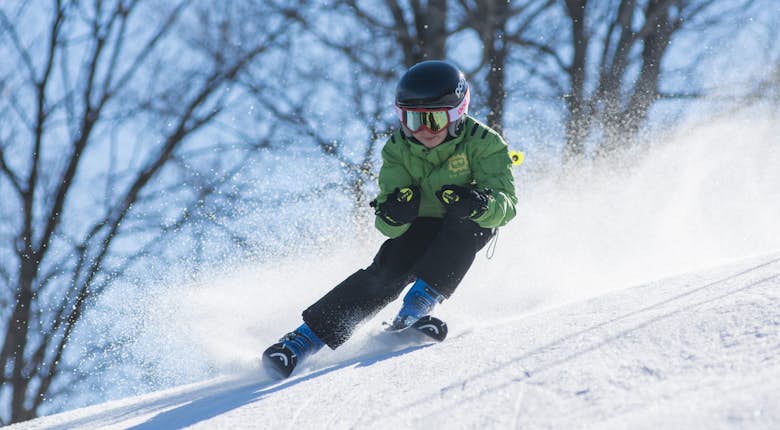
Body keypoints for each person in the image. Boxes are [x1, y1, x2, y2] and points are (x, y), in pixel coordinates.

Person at [262, 60, 517, 378]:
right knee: (388, 269)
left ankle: (416, 308)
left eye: (433, 120)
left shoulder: (484, 143)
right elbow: (386, 222)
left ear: (456, 114)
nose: (422, 131)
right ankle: (300, 342)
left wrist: (479, 203)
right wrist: (395, 213)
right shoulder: (398, 148)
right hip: (420, 223)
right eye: (411, 120)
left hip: (464, 221)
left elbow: (507, 206)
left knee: (470, 226)